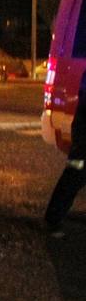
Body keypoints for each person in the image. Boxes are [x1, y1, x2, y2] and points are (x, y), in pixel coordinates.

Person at [45, 72, 86, 238]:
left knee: (75, 174)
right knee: (75, 174)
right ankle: (53, 219)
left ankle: (54, 217)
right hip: (85, 135)